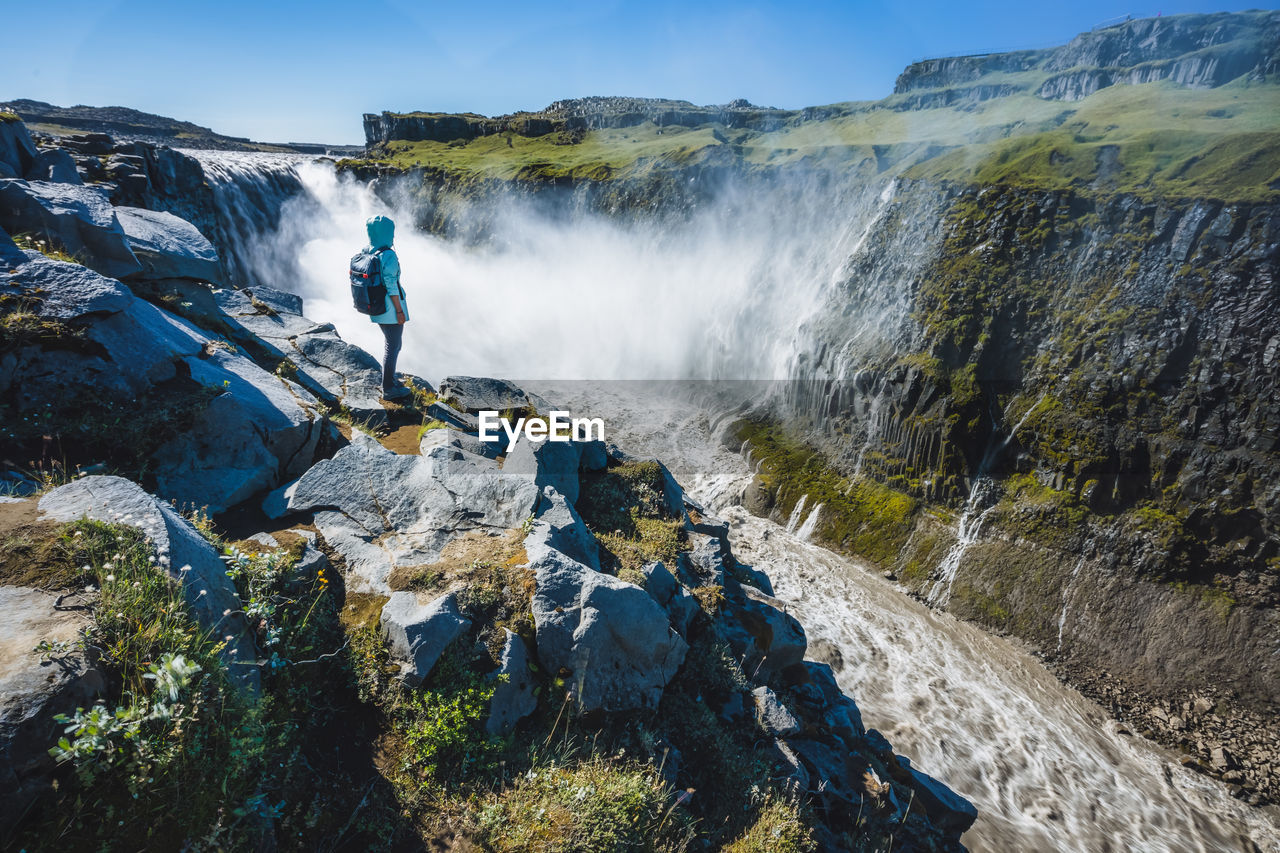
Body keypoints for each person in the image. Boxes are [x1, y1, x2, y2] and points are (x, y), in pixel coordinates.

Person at [364, 214, 411, 401]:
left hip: (375, 305)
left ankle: (390, 380)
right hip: (389, 307)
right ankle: (389, 388)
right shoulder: (388, 255)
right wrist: (399, 311)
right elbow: (391, 284)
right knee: (393, 345)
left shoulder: (368, 250)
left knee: (391, 343)